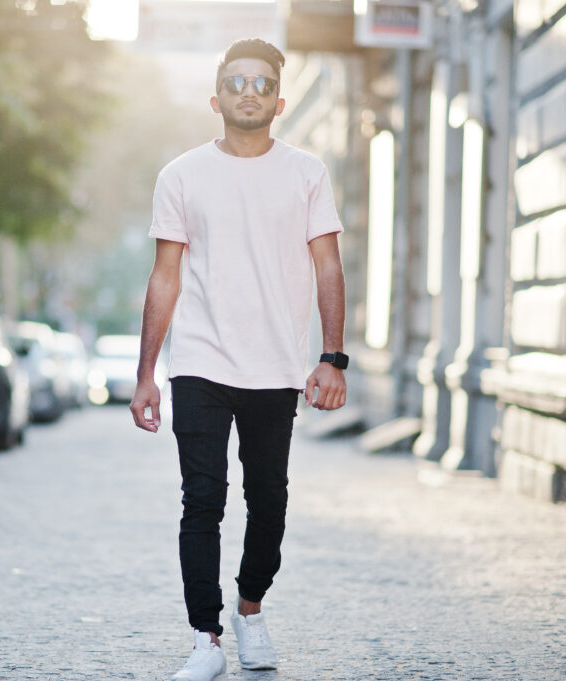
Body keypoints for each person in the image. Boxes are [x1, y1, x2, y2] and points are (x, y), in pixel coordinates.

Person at [130, 37, 348, 681]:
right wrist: (147, 373)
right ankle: (207, 638)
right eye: (236, 82)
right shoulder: (181, 175)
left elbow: (328, 264)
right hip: (199, 361)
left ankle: (251, 609)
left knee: (269, 499)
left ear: (280, 101)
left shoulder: (306, 172)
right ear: (216, 97)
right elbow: (165, 277)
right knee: (202, 499)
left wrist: (331, 357)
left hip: (276, 367)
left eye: (260, 84)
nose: (248, 92)